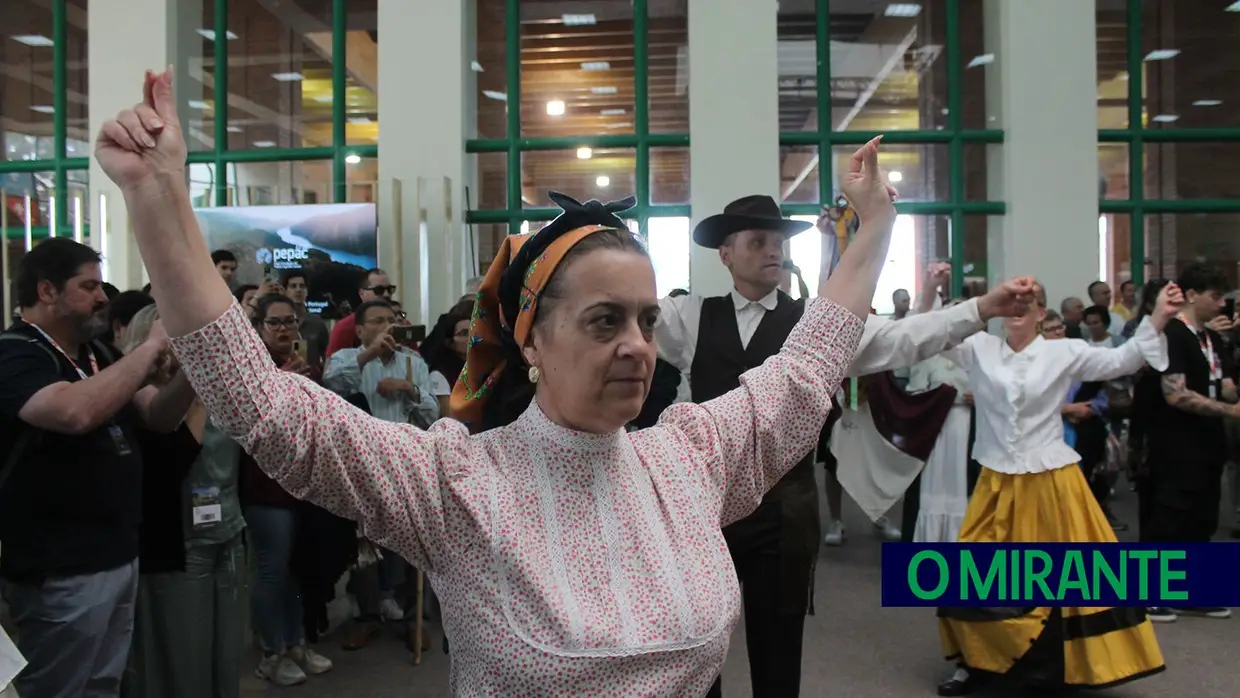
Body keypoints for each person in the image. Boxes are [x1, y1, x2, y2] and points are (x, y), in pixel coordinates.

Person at [96, 70, 896, 694]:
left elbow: (807, 368)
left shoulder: (688, 461)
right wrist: (157, 198)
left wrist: (874, 230)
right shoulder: (458, 484)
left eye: (648, 322)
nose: (636, 347)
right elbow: (265, 406)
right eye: (603, 321)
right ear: (533, 339)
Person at [657, 193, 1030, 697]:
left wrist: (980, 308)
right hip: (705, 508)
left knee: (778, 649)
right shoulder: (689, 316)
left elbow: (902, 338)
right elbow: (623, 318)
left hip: (786, 511)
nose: (774, 251)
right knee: (699, 650)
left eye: (779, 242)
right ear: (725, 253)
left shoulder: (817, 322)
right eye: (758, 241)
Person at [932, 280, 1180, 696]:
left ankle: (1053, 669)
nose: (1017, 309)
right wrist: (931, 291)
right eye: (1011, 302)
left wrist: (1158, 316)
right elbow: (933, 337)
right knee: (974, 571)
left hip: (1049, 479)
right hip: (996, 480)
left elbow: (1122, 360)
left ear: (1041, 314)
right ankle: (976, 663)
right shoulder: (979, 348)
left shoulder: (1062, 351)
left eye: (1027, 305)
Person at [0, 238, 195, 698]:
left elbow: (160, 417)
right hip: (60, 567)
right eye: (88, 286)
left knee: (101, 685)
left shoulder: (97, 355)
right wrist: (149, 350)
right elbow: (75, 413)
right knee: (60, 687)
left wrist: (193, 368)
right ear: (46, 291)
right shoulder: (17, 354)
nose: (104, 297)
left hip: (117, 554)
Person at [118, 305, 248, 698]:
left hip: (228, 530)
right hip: (176, 543)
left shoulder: (217, 389)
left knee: (227, 655)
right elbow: (173, 457)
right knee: (181, 662)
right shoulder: (141, 395)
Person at [1141, 264, 1238, 623]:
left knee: (1202, 519)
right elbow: (1176, 395)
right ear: (1192, 295)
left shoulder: (1209, 338)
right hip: (1176, 443)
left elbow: (1222, 382)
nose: (1220, 305)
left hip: (1208, 442)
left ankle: (1195, 591)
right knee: (1169, 517)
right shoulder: (1172, 336)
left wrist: (1230, 397)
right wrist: (1230, 411)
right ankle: (1149, 592)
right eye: (1215, 297)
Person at [325, 268, 395, 359]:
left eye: (389, 289)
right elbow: (331, 369)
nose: (386, 294)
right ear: (362, 294)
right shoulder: (345, 327)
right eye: (379, 290)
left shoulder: (402, 324)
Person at [421, 299, 473, 418]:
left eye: (475, 332)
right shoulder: (440, 375)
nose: (471, 338)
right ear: (450, 342)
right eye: (464, 333)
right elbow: (449, 420)